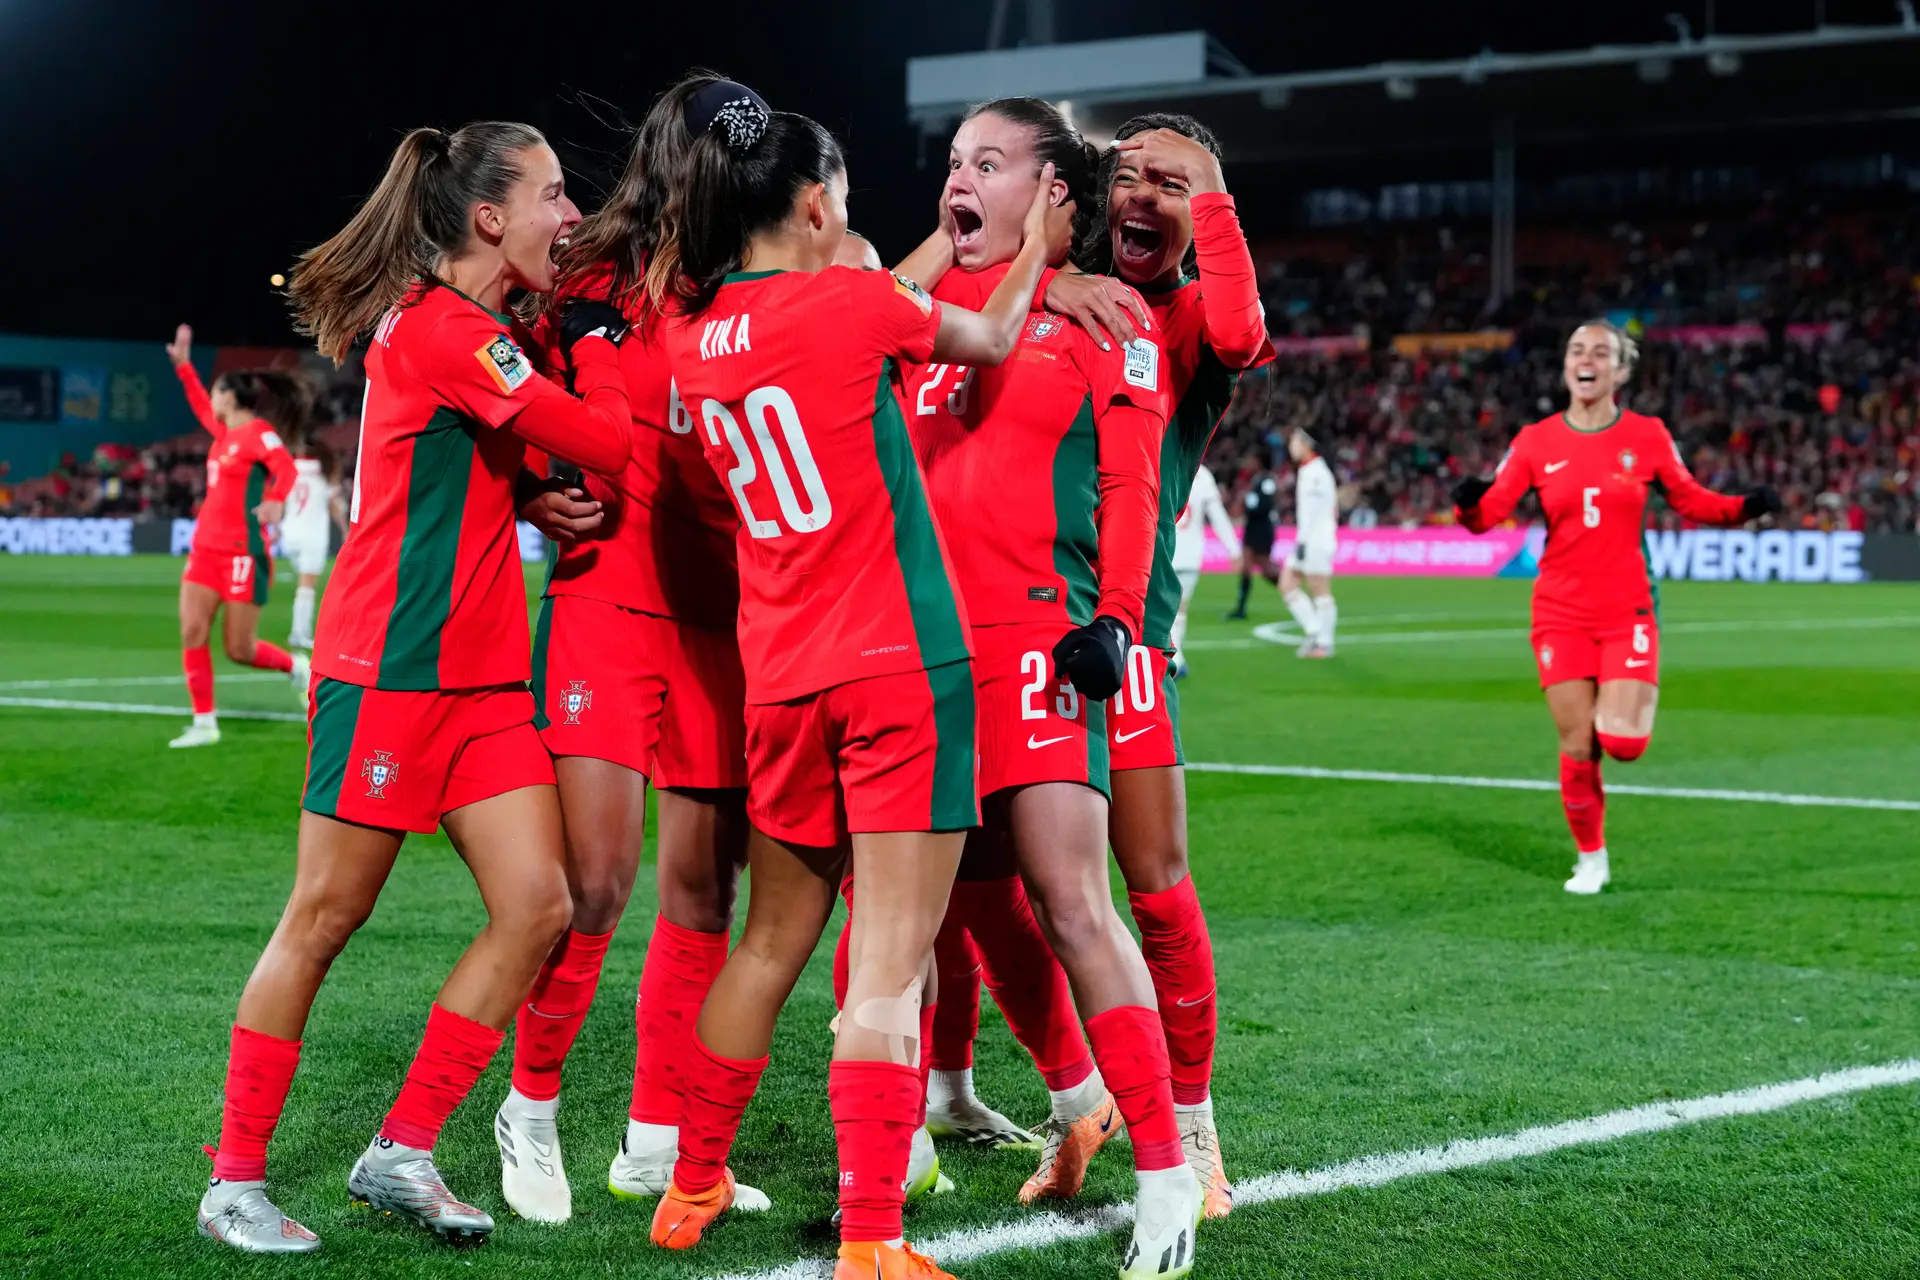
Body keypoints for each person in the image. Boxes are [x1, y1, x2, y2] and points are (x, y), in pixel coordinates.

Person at [641, 102, 1066, 1280]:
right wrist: (1033, 247)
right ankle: (873, 1237)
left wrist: (928, 239)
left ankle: (692, 1179)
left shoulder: (696, 331)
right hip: (897, 666)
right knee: (886, 956)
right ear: (821, 206)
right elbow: (980, 335)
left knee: (768, 944)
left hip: (780, 677)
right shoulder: (852, 304)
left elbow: (854, 312)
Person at [194, 120, 633, 1254]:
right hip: (388, 676)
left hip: (483, 683)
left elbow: (470, 464)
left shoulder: (470, 330)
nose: (570, 216)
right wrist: (605, 349)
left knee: (541, 904)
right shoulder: (452, 333)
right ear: (490, 217)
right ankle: (235, 1180)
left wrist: (523, 497)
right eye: (552, 194)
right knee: (324, 919)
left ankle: (401, 1148)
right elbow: (603, 439)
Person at [907, 97, 1204, 1278]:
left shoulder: (1108, 320)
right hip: (920, 658)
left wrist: (1116, 622)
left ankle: (1170, 1173)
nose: (958, 178)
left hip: (1039, 642)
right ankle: (1025, 1111)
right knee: (941, 909)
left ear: (1053, 193)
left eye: (989, 161)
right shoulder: (919, 313)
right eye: (951, 160)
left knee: (1075, 898)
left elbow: (1134, 488)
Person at [493, 73, 758, 1227]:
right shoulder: (585, 278)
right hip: (605, 603)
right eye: (727, 161)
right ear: (684, 159)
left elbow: (886, 300)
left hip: (723, 618)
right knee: (595, 886)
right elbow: (477, 393)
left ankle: (658, 1145)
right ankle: (531, 1107)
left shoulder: (760, 284)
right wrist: (528, 490)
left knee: (703, 894)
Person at [1065, 112, 1272, 1219]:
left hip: (1124, 628)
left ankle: (1189, 1122)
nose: (1143, 194)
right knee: (988, 892)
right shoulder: (1039, 283)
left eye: (1172, 184)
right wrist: (1046, 290)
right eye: (1130, 174)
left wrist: (1213, 192)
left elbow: (1242, 330)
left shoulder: (1192, 314)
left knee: (1150, 880)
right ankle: (1060, 1098)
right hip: (998, 616)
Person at [1453, 320, 1778, 895]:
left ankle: (1615, 723)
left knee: (1623, 744)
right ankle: (1591, 857)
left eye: (1601, 352)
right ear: (1566, 367)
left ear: (1620, 371)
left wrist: (1746, 507)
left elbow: (1692, 500)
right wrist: (1467, 506)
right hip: (1559, 610)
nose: (1587, 360)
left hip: (1627, 611)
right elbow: (1489, 513)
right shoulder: (1535, 441)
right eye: (1577, 350)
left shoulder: (1648, 435)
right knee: (1578, 745)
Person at [163, 327, 308, 747]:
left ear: (229, 396)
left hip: (244, 553)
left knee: (239, 649)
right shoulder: (224, 434)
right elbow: (196, 403)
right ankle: (204, 723)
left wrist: (277, 499)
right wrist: (184, 368)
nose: (210, 397)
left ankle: (295, 665)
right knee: (192, 630)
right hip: (205, 549)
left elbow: (286, 467)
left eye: (215, 391)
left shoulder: (259, 433)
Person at [1171, 464, 1237, 676]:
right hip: (1190, 555)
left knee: (1163, 609)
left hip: (1165, 550)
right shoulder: (1203, 473)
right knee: (1179, 610)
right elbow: (1217, 515)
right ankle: (1176, 658)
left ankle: (1175, 659)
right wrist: (1233, 549)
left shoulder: (1162, 463)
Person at [281, 435, 345, 651]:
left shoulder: (291, 466)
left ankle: (299, 632)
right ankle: (299, 634)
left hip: (289, 533)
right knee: (307, 587)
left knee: (303, 584)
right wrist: (345, 530)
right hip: (312, 533)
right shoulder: (325, 471)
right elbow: (334, 505)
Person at [1280, 427, 1338, 657]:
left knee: (1320, 590)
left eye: (1294, 441)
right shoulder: (1309, 470)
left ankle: (1324, 643)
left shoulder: (1316, 473)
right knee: (1287, 584)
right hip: (1308, 540)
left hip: (1316, 541)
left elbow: (1314, 513)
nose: (1290, 446)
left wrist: (1303, 542)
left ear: (1306, 444)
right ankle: (1315, 631)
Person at [1225, 461, 1278, 620]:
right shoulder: (1254, 481)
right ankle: (1241, 608)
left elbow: (1267, 504)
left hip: (1262, 529)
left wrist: (1249, 505)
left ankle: (1289, 588)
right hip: (1252, 529)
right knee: (1246, 567)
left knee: (1266, 570)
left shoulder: (1267, 480)